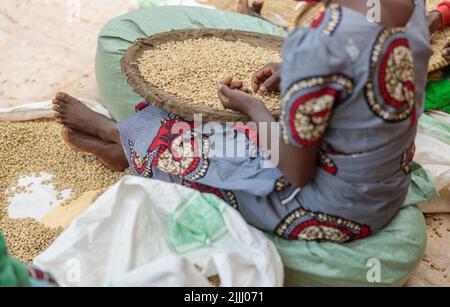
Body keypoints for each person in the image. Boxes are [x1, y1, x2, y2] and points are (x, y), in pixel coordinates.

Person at [53, 0, 432, 243]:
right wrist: (297, 73)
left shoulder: (318, 44)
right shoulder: (410, 6)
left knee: (203, 137)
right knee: (214, 124)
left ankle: (125, 145)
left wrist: (254, 110)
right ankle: (129, 144)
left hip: (332, 206)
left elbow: (296, 172)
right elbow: (368, 70)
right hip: (385, 186)